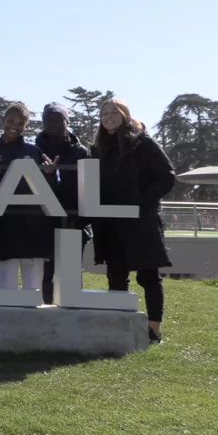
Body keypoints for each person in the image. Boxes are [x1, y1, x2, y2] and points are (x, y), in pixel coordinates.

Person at [90, 99, 175, 343]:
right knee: (116, 275)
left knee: (149, 276)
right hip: (111, 223)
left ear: (125, 115)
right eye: (104, 113)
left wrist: (143, 202)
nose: (108, 117)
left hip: (141, 222)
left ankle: (153, 330)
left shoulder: (143, 143)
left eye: (113, 113)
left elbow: (167, 176)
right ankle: (119, 325)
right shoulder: (98, 148)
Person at [0, 103, 51, 291]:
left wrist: (50, 174)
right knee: (6, 286)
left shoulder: (34, 152)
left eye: (20, 123)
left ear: (26, 126)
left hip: (33, 224)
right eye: (10, 121)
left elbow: (50, 187)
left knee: (33, 287)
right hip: (4, 224)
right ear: (3, 121)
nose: (14, 125)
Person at [36, 102, 91, 304]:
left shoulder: (81, 152)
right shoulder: (34, 150)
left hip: (74, 222)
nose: (54, 125)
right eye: (49, 121)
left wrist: (82, 220)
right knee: (45, 275)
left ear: (67, 122)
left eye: (59, 120)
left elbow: (89, 188)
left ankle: (73, 317)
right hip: (43, 222)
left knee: (72, 276)